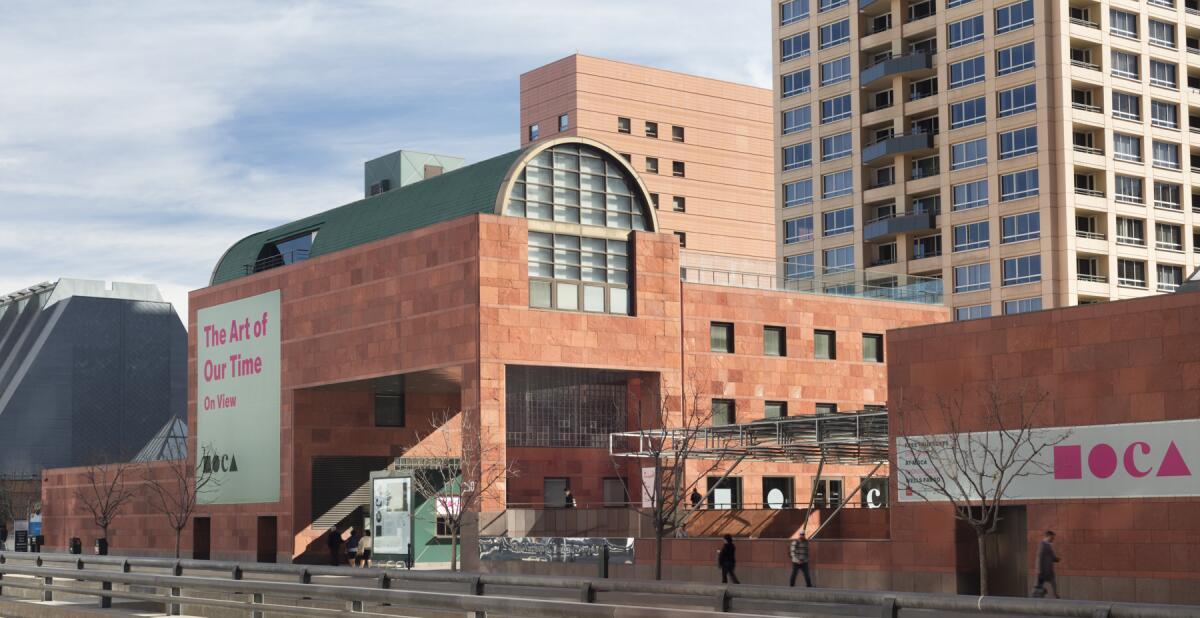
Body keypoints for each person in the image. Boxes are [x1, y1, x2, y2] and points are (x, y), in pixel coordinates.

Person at [1033, 530, 1061, 598]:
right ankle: (1036, 595)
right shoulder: (1042, 544)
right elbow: (1039, 557)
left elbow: (1051, 556)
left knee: (1052, 582)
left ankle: (1055, 595)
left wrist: (1056, 559)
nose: (1053, 539)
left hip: (1049, 569)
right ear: (1048, 536)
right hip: (1043, 570)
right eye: (1052, 538)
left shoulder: (1048, 545)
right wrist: (1039, 569)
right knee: (1039, 584)